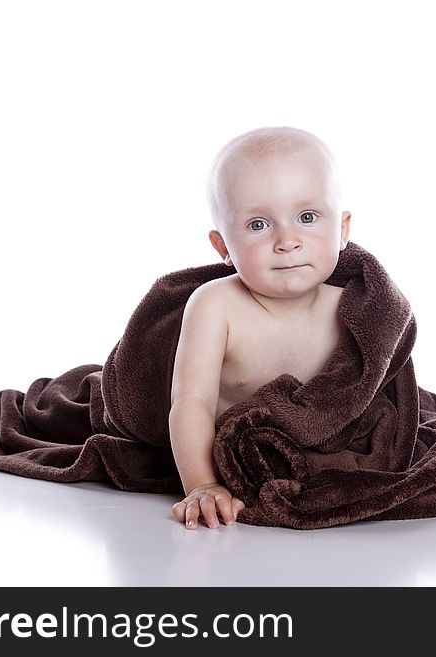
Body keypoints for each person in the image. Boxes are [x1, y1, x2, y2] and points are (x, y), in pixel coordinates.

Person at [170, 126, 352, 529]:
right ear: (223, 248)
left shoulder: (353, 310)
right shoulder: (216, 305)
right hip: (228, 451)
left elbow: (371, 397)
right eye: (258, 225)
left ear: (342, 229)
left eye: (307, 217)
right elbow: (191, 402)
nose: (287, 240)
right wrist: (201, 484)